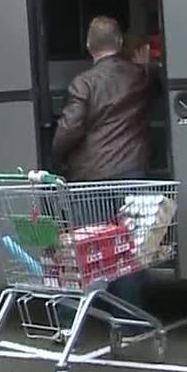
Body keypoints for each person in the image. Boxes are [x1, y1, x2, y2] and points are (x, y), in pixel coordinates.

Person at [49, 15, 162, 305]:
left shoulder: (83, 83)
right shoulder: (141, 76)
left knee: (88, 250)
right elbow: (157, 88)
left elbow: (69, 130)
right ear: (120, 42)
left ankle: (75, 315)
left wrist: (57, 159)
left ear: (89, 46)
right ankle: (130, 320)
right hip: (132, 175)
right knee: (129, 253)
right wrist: (147, 65)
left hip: (90, 181)